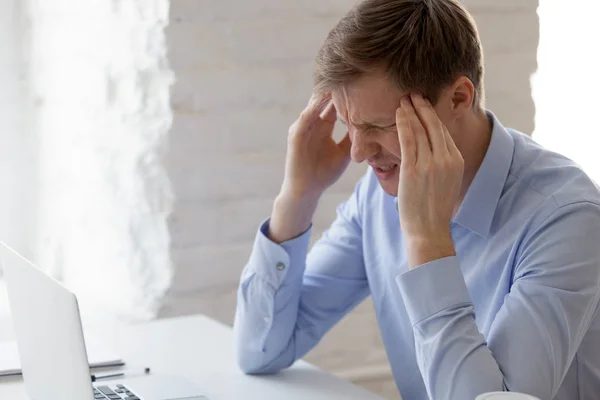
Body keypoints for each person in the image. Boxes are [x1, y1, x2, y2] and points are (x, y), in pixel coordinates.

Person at [232, 0, 600, 399]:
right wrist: (298, 197)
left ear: (458, 98)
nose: (357, 153)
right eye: (348, 124)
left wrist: (427, 240)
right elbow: (260, 351)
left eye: (379, 125)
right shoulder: (377, 197)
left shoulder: (565, 218)